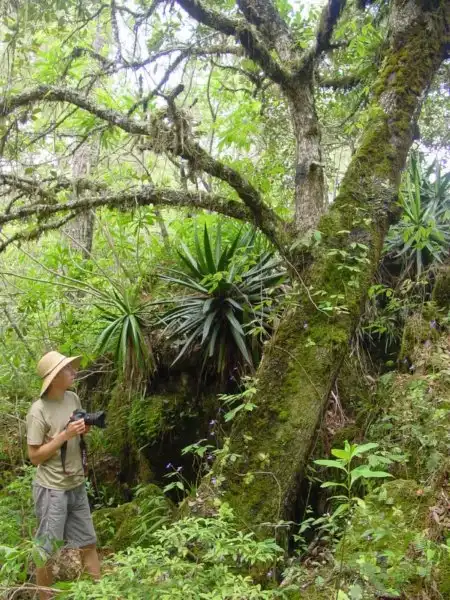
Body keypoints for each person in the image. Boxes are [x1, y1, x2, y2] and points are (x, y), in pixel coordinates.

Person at [26, 351, 100, 599]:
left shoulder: (73, 398)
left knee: (88, 543)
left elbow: (75, 436)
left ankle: (101, 593)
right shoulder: (38, 411)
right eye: (68, 369)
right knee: (46, 551)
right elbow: (34, 457)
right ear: (55, 377)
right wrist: (65, 435)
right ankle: (44, 596)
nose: (74, 372)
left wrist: (82, 430)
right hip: (52, 489)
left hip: (76, 483)